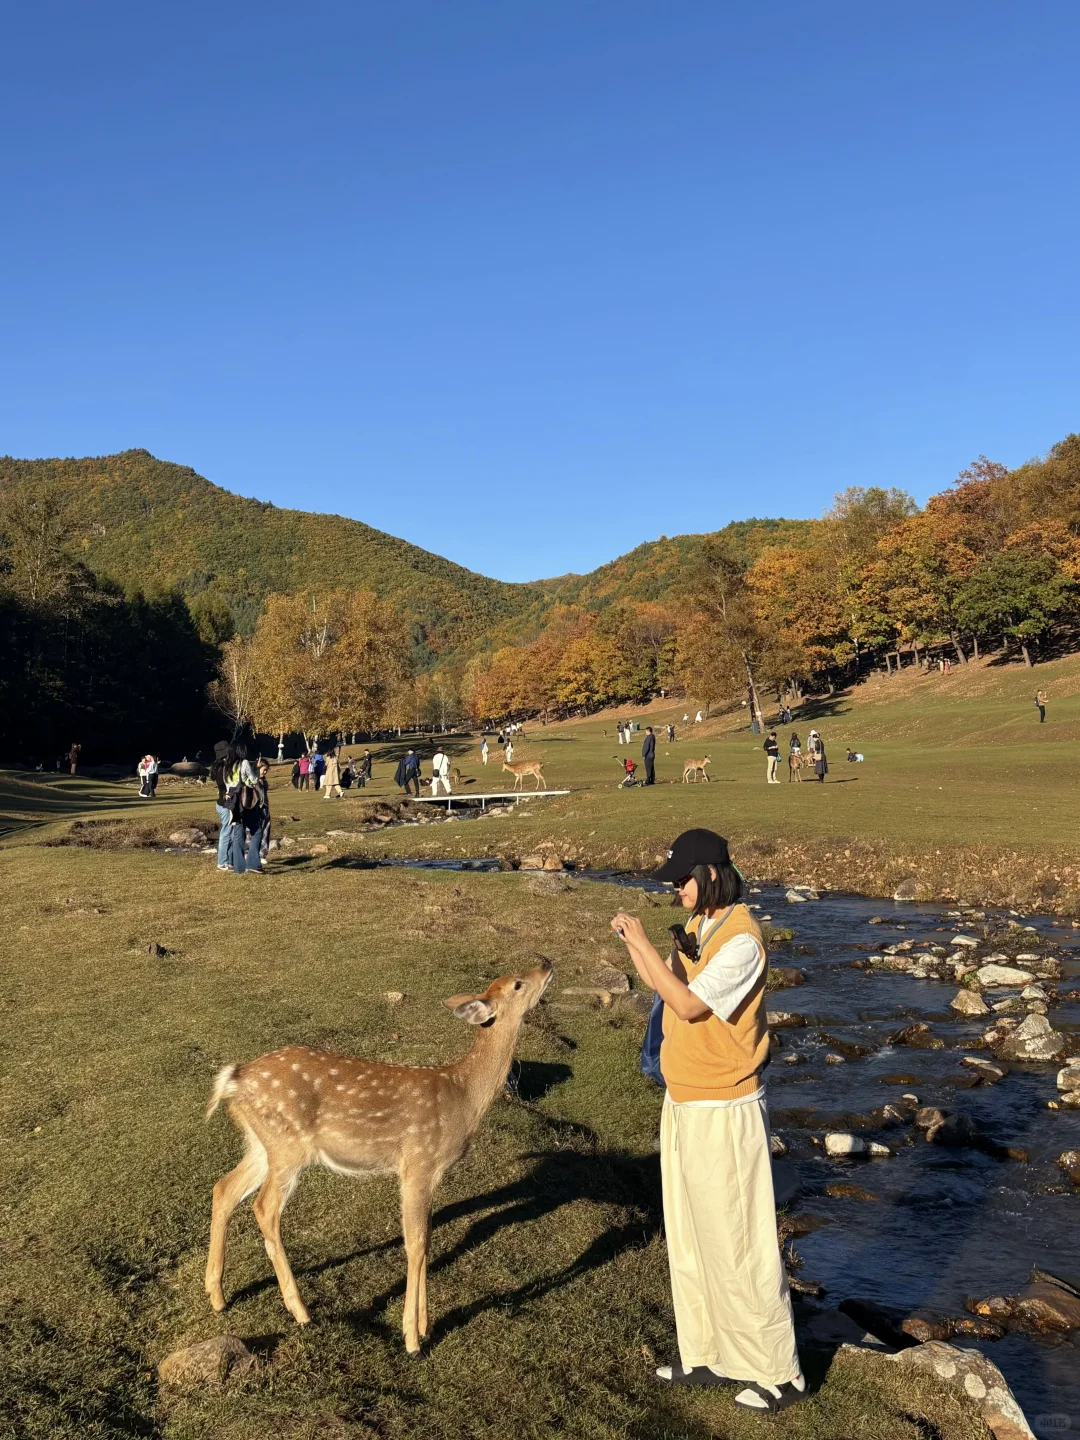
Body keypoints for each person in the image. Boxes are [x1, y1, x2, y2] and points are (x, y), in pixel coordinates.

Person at [610, 830, 804, 1413]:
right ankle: (709, 1355)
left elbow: (690, 1004)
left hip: (725, 1108)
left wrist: (644, 942)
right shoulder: (701, 925)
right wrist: (637, 947)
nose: (676, 889)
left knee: (738, 1242)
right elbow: (665, 988)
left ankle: (778, 1373)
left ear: (712, 873)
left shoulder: (742, 941)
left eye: (682, 879)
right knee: (693, 1237)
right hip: (685, 1101)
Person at [210, 742, 235, 871]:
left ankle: (229, 861)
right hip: (225, 805)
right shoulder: (223, 769)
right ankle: (222, 862)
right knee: (226, 833)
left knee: (230, 833)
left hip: (222, 804)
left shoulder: (219, 768)